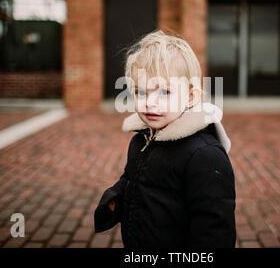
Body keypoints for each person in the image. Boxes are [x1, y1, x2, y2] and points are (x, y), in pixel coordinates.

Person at [94, 30, 236, 247]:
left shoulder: (205, 156)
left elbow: (214, 232)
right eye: (141, 92)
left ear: (190, 97)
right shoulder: (142, 140)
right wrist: (116, 197)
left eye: (165, 92)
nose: (150, 102)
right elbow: (132, 177)